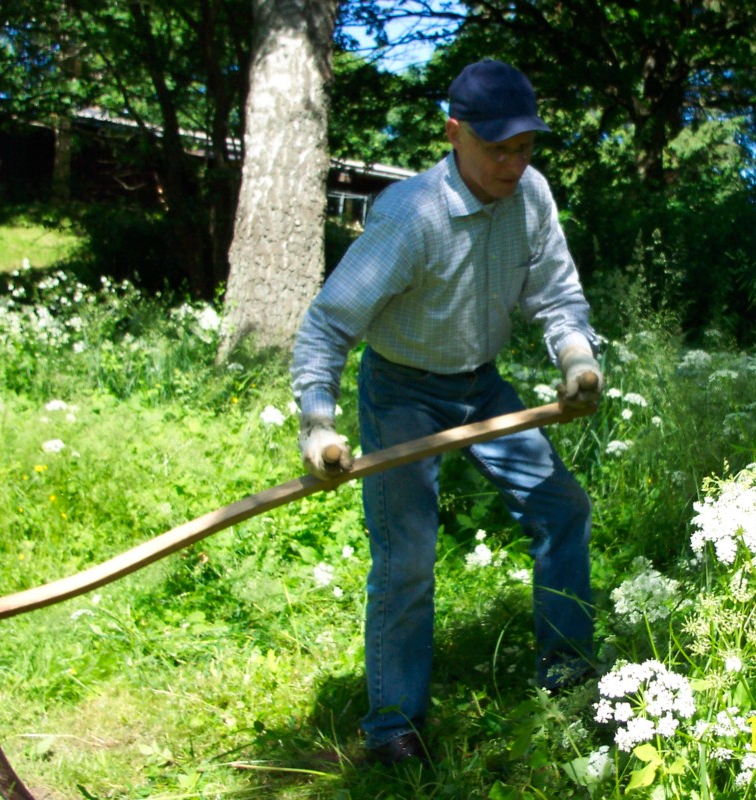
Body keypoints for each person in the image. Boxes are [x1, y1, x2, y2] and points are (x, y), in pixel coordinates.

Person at [289, 58, 603, 767]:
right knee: (407, 558)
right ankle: (393, 727)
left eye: (525, 147)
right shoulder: (410, 215)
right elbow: (328, 326)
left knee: (563, 511)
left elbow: (556, 296)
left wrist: (576, 360)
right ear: (454, 133)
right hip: (400, 392)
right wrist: (317, 424)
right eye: (498, 148)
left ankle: (570, 682)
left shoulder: (531, 197)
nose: (514, 164)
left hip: (482, 387)